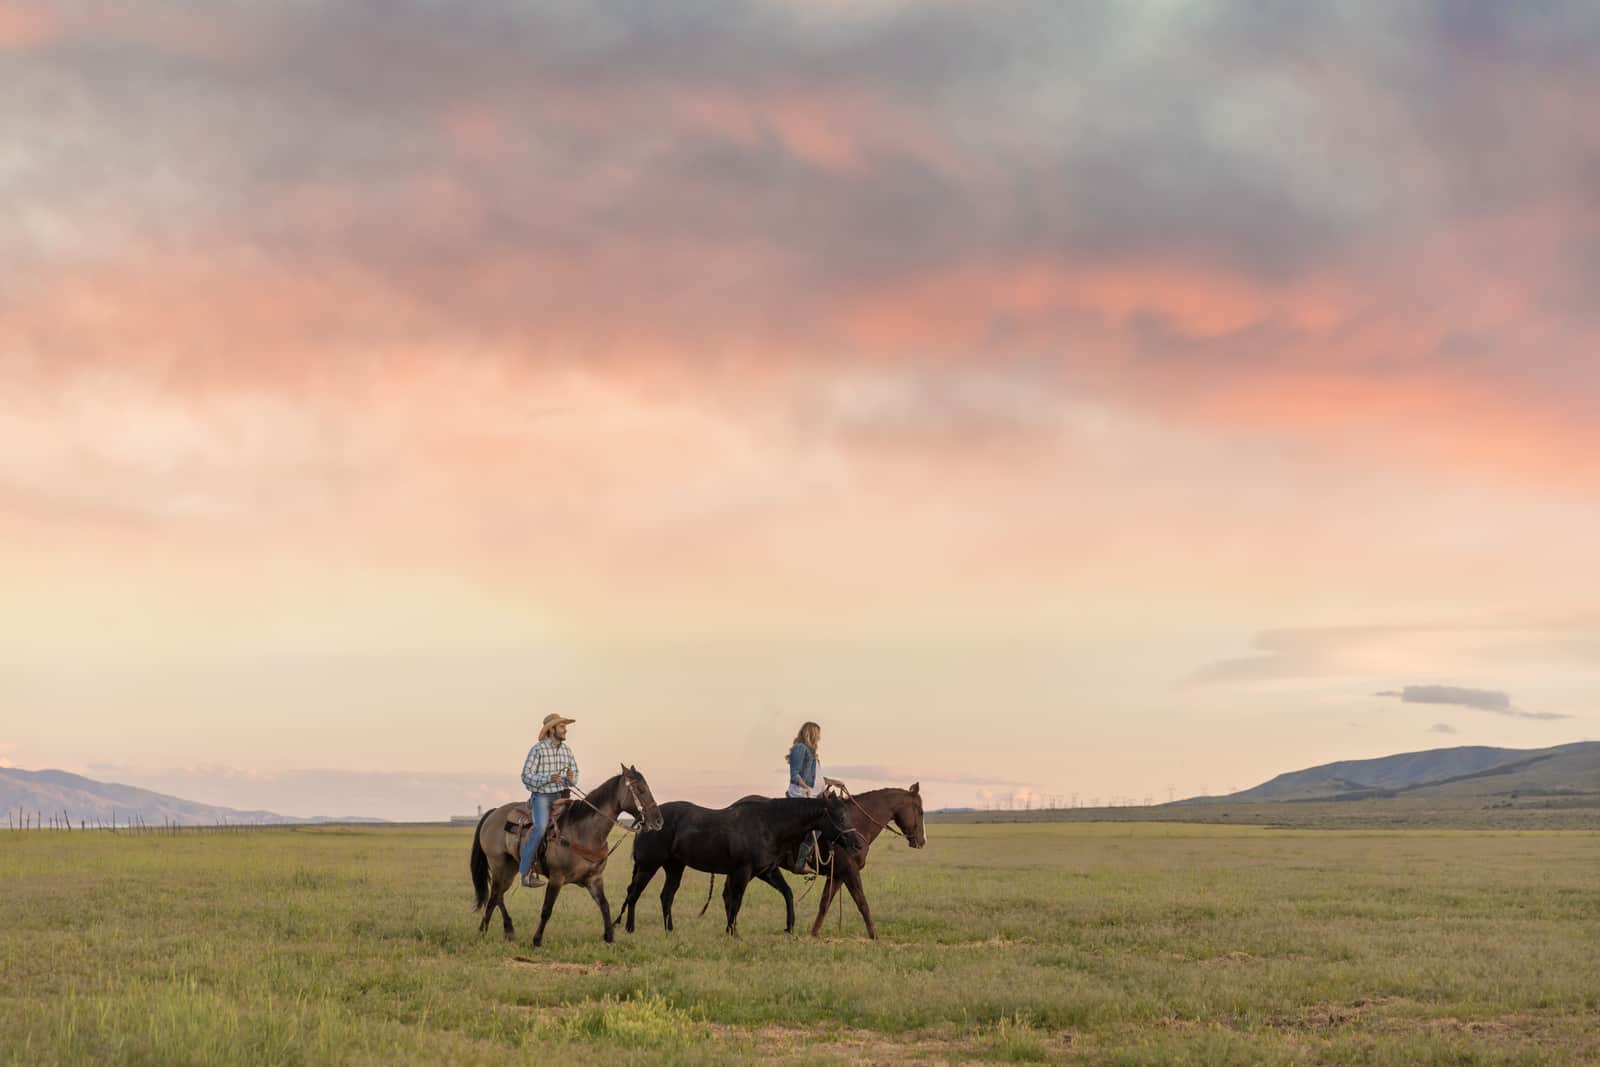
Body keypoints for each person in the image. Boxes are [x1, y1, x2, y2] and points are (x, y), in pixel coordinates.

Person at [519, 713, 579, 888]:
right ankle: (525, 873)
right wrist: (548, 778)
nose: (565, 729)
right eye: (561, 726)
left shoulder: (567, 751)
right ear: (551, 729)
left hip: (562, 795)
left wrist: (571, 778)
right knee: (540, 828)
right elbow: (525, 776)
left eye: (564, 726)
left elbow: (575, 776)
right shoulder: (537, 750)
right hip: (543, 796)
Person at [786, 721, 845, 872]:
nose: (819, 738)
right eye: (817, 734)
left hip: (813, 795)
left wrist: (833, 782)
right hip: (801, 796)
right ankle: (801, 860)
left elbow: (816, 778)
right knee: (822, 822)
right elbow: (794, 775)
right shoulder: (800, 749)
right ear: (810, 733)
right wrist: (805, 787)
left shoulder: (812, 753)